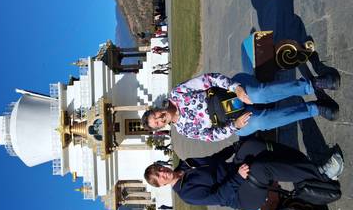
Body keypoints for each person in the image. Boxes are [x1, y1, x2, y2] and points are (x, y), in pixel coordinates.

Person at [143, 138, 344, 210]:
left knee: (250, 145)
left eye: (160, 169)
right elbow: (220, 196)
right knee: (259, 169)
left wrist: (235, 147)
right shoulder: (186, 193)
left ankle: (304, 168)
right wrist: (238, 177)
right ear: (161, 185)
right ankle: (321, 174)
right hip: (241, 197)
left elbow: (215, 159)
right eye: (159, 176)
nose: (163, 172)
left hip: (236, 172)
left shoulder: (186, 164)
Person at [141, 72, 340, 142]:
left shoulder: (177, 94)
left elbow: (208, 79)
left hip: (231, 92)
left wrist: (234, 87)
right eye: (158, 123)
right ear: (161, 127)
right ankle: (314, 108)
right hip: (233, 120)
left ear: (157, 108)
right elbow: (211, 136)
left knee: (258, 94)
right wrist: (234, 126)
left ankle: (311, 85)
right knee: (262, 121)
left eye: (156, 115)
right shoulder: (184, 130)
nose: (160, 118)